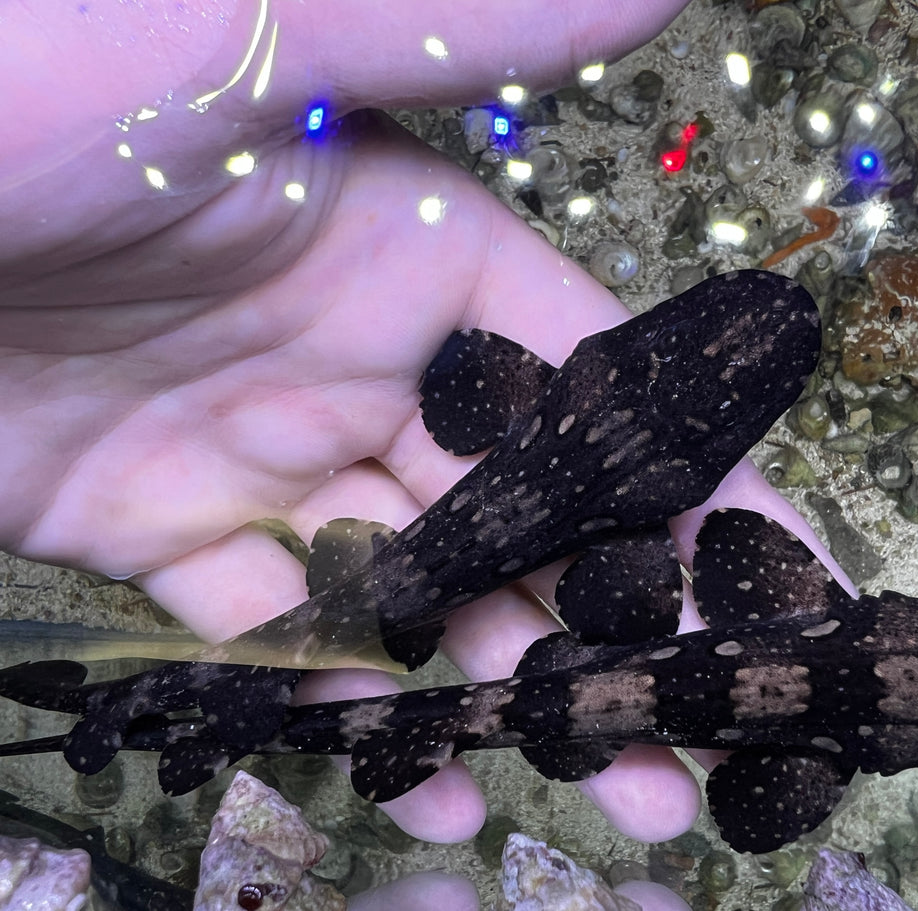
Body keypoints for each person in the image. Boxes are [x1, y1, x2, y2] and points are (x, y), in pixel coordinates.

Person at [1, 3, 848, 907]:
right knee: (291, 650)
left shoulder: (538, 384)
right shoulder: (642, 522)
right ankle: (131, 706)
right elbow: (614, 600)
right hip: (434, 554)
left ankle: (133, 705)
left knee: (284, 645)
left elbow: (459, 387)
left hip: (426, 539)